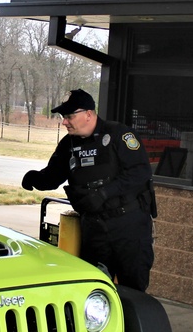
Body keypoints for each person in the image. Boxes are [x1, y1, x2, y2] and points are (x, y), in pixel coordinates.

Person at [21, 89, 156, 292]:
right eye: (63, 117)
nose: (64, 122)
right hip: (94, 229)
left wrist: (102, 194)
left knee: (133, 290)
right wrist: (35, 178)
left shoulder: (118, 135)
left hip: (128, 226)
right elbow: (53, 176)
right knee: (93, 288)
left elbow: (140, 172)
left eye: (69, 116)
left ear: (89, 114)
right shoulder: (69, 144)